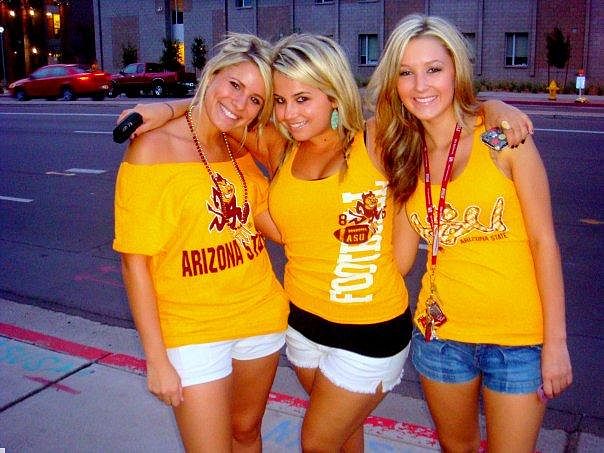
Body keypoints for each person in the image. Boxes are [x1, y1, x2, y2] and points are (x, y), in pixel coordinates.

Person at [117, 33, 532, 452]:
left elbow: (430, 108)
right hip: (303, 328)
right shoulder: (282, 146)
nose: (289, 114)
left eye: (303, 99)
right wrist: (167, 107)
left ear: (334, 95)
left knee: (317, 441)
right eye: (280, 101)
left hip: (370, 333)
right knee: (345, 435)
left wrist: (491, 107)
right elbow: (220, 114)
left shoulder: (375, 139)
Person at [367, 14, 573, 452]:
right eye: (406, 73)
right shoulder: (406, 156)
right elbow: (399, 262)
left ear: (456, 70)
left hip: (518, 342)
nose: (420, 85)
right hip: (440, 339)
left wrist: (556, 344)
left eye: (433, 69)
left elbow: (544, 243)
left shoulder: (500, 139)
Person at [112, 33, 288, 452]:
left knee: (246, 433)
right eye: (234, 85)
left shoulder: (240, 141)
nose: (239, 104)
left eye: (256, 100)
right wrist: (157, 359)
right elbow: (135, 262)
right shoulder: (152, 147)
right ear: (212, 74)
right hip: (191, 329)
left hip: (260, 314)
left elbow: (276, 226)